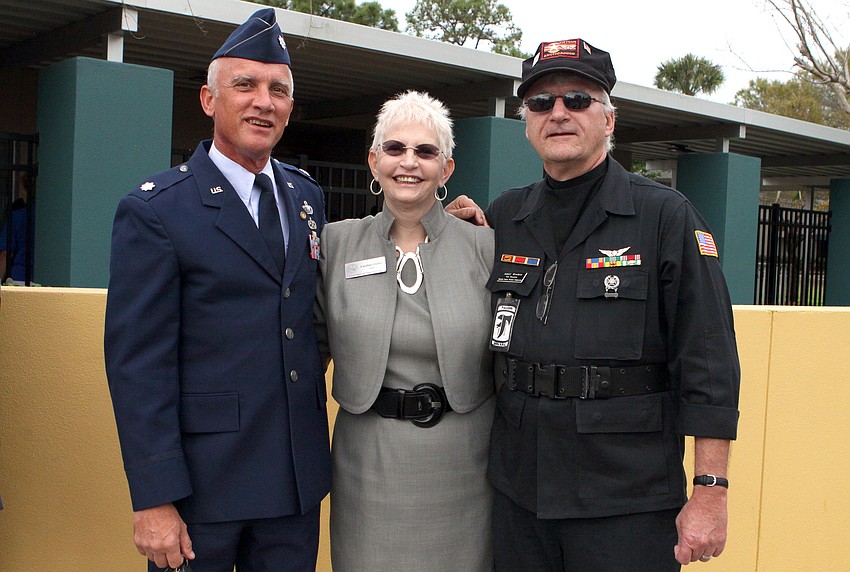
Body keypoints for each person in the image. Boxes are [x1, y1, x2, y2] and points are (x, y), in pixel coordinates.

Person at [446, 39, 740, 571]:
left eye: (576, 99)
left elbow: (709, 362)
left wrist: (710, 491)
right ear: (527, 122)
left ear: (609, 119)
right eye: (540, 103)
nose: (557, 113)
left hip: (625, 500)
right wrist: (445, 232)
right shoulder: (506, 216)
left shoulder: (663, 217)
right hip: (520, 493)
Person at [104, 9, 331, 571]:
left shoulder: (306, 198)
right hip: (202, 492)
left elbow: (308, 318)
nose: (264, 101)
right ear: (209, 101)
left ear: (290, 109)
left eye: (278, 90)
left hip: (294, 485)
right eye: (245, 85)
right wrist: (154, 498)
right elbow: (138, 365)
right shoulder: (157, 210)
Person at [314, 90, 496, 571]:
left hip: (466, 470)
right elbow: (303, 352)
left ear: (447, 168)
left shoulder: (487, 247)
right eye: (394, 149)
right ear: (373, 162)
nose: (408, 162)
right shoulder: (335, 244)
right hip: (366, 470)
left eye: (425, 151)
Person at [1, 173, 32, 285]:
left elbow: (6, 253)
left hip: (20, 276)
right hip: (46, 272)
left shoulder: (16, 216)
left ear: (24, 189)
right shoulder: (47, 219)